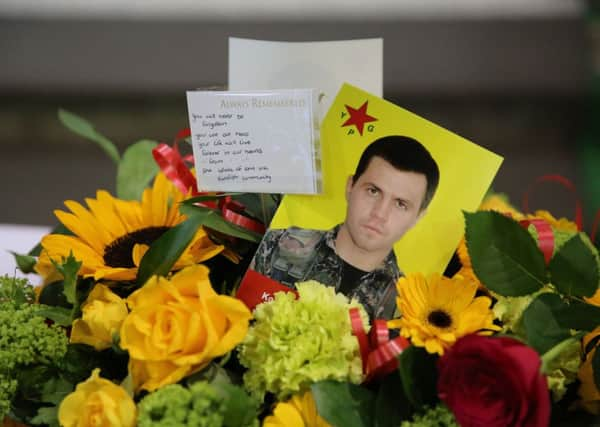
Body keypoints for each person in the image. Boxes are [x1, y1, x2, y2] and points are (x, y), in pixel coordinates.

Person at [249, 135, 440, 319]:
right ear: (350, 187)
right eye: (373, 191)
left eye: (400, 204)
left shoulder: (408, 309)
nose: (380, 214)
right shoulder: (275, 244)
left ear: (418, 217)